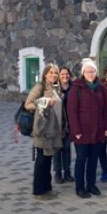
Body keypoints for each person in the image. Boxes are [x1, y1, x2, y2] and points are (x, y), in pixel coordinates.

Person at [67, 58, 107, 199]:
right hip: (82, 131)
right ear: (83, 73)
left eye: (92, 71)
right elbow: (71, 111)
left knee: (93, 159)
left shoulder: (100, 87)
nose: (90, 74)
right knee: (81, 159)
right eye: (87, 71)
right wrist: (76, 130)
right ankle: (80, 187)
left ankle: (91, 184)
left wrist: (106, 127)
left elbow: (105, 109)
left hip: (97, 130)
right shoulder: (77, 88)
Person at [25, 63, 66, 200]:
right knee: (41, 160)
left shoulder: (55, 87)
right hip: (42, 130)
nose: (53, 75)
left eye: (56, 73)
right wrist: (45, 102)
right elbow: (28, 104)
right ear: (45, 74)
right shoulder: (40, 87)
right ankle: (38, 191)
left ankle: (47, 188)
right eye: (51, 72)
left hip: (53, 130)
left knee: (48, 159)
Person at [53, 66, 74, 184]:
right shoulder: (54, 88)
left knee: (67, 149)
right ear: (59, 76)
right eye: (62, 74)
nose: (65, 76)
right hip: (57, 122)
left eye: (67, 74)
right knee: (57, 149)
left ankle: (67, 172)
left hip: (69, 123)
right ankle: (57, 173)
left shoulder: (73, 87)